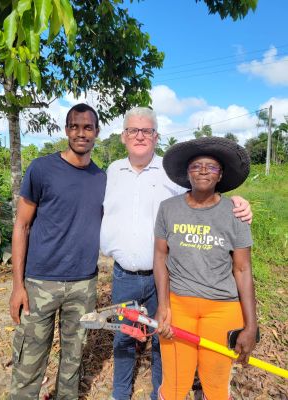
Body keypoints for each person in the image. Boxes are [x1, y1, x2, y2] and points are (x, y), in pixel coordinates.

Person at [100, 107, 253, 400]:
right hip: (124, 274)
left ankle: (164, 392)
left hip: (166, 278)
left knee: (164, 340)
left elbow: (207, 196)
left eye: (147, 131)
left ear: (156, 136)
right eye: (133, 130)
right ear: (123, 137)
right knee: (123, 337)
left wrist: (241, 203)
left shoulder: (171, 175)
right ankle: (120, 394)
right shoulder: (111, 171)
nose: (140, 136)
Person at [9, 103, 106, 399]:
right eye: (75, 126)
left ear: (96, 133)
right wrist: (17, 286)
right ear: (66, 131)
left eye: (87, 127)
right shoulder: (42, 169)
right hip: (40, 283)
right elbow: (21, 226)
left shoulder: (101, 178)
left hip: (84, 283)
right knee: (29, 360)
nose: (81, 133)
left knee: (73, 360)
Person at [154, 137, 258, 400]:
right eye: (196, 166)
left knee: (215, 386)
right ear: (186, 173)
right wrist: (163, 306)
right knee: (175, 386)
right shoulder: (168, 208)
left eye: (211, 167)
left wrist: (250, 326)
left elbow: (243, 271)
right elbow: (160, 257)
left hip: (222, 310)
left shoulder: (235, 213)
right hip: (179, 307)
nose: (203, 170)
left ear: (220, 174)